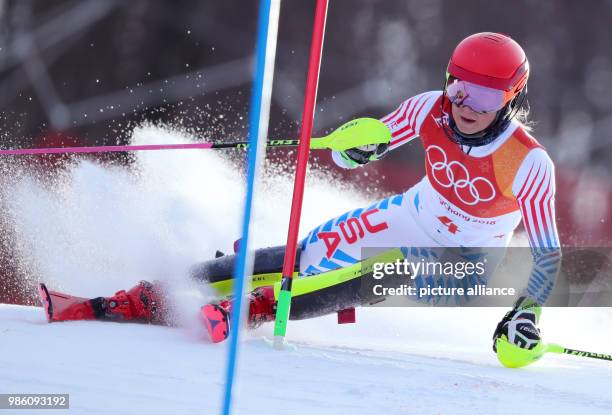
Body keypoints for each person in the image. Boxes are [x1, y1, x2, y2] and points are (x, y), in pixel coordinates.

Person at [38, 32, 561, 364]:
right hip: (413, 215)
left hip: (471, 259)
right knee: (305, 251)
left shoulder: (529, 162)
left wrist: (526, 312)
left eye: (487, 96)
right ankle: (156, 291)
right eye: (460, 88)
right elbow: (365, 143)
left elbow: (547, 255)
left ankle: (260, 306)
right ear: (446, 81)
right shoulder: (429, 108)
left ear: (511, 97)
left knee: (389, 268)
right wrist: (356, 150)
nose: (467, 105)